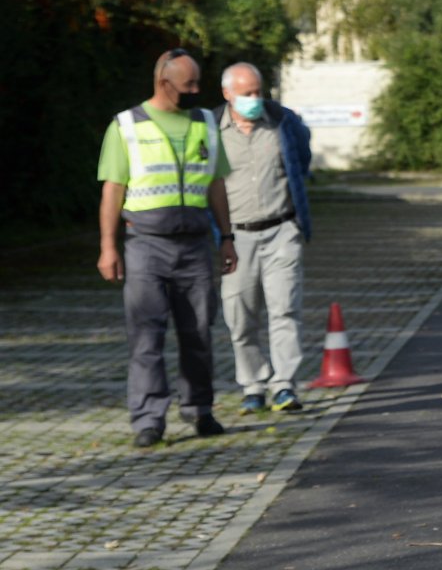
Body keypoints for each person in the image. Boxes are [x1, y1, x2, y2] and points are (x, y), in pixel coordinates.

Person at [97, 49, 239, 447]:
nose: (196, 90)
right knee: (146, 336)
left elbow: (216, 184)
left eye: (197, 83)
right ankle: (148, 420)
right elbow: (113, 189)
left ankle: (200, 410)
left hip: (194, 246)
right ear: (164, 83)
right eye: (188, 85)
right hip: (145, 247)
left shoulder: (206, 123)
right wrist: (108, 247)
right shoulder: (126, 126)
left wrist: (226, 238)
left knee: (198, 332)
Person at [217, 62, 314, 413]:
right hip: (236, 237)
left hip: (281, 231)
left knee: (285, 308)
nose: (255, 100)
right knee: (240, 315)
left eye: (258, 92)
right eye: (247, 94)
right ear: (228, 94)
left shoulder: (281, 123)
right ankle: (252, 384)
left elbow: (301, 162)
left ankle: (284, 385)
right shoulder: (213, 131)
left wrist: (297, 221)